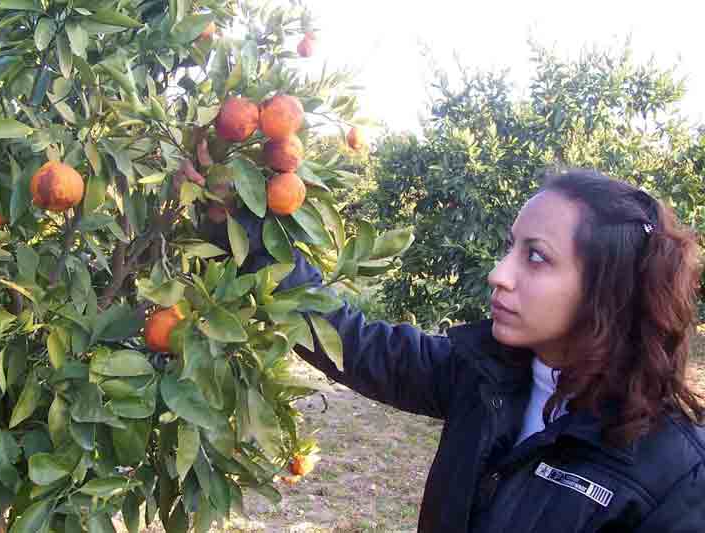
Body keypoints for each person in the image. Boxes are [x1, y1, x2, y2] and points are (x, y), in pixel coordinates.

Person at [235, 168, 705, 532]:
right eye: (511, 246)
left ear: (607, 289)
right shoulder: (483, 377)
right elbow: (351, 343)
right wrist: (246, 219)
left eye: (535, 256)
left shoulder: (675, 475)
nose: (499, 273)